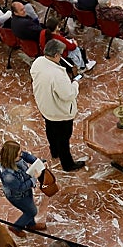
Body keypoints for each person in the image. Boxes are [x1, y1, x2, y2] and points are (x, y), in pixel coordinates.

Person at [31, 39, 85, 171]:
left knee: (50, 129)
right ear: (56, 55)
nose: (61, 57)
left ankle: (54, 151)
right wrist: (76, 83)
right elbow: (68, 95)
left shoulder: (38, 62)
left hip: (45, 105)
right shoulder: (57, 75)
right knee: (64, 138)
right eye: (60, 54)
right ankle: (68, 164)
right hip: (59, 112)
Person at [0, 139, 43, 233]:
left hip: (25, 190)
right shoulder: (8, 175)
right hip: (18, 196)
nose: (21, 155)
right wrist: (34, 178)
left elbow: (26, 155)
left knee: (28, 209)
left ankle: (31, 225)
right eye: (19, 154)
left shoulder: (16, 157)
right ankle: (16, 227)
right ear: (12, 157)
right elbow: (20, 188)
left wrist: (38, 163)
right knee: (32, 211)